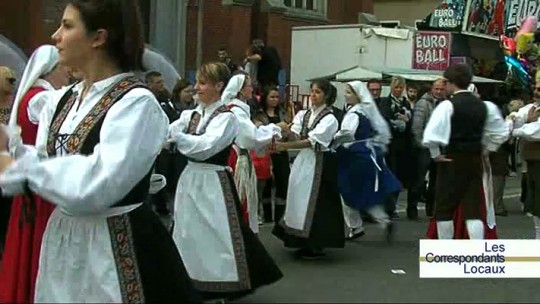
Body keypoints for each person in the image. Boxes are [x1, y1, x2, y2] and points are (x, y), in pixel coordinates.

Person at [0, 1, 199, 302]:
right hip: (63, 238)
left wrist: (19, 168)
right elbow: (45, 160)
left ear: (98, 37)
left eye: (67, 26)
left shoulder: (136, 103)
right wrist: (13, 156)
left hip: (115, 244)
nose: (56, 35)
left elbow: (100, 183)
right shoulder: (62, 100)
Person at [168, 62, 283, 301]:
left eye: (202, 83)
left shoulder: (227, 118)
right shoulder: (191, 115)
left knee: (215, 231)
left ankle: (220, 283)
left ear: (219, 86)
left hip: (212, 180)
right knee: (188, 231)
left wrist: (178, 138)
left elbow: (205, 147)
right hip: (190, 178)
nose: (196, 88)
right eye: (197, 82)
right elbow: (165, 133)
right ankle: (191, 280)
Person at [0, 45, 70, 303]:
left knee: (27, 244)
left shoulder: (30, 96)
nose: (68, 73)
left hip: (32, 181)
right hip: (42, 183)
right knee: (40, 245)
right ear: (51, 70)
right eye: (63, 68)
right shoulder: (44, 98)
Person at [422, 65, 509, 240]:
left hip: (451, 159)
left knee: (444, 209)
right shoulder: (486, 106)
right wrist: (488, 149)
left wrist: (435, 155)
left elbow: (431, 136)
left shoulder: (447, 106)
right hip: (475, 159)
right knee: (473, 209)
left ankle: (446, 250)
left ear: (451, 83)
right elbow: (501, 133)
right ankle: (475, 249)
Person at [272, 79, 344, 259]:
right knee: (299, 198)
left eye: (317, 92)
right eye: (312, 91)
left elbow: (312, 142)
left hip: (321, 163)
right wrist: (286, 132)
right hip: (304, 161)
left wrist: (284, 147)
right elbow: (297, 135)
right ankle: (299, 239)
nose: (313, 95)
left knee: (318, 202)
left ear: (326, 95)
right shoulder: (303, 114)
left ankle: (316, 243)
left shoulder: (330, 118)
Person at [335, 81, 401, 241]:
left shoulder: (353, 114)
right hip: (367, 154)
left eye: (349, 92)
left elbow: (346, 136)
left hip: (354, 158)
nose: (345, 95)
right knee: (365, 193)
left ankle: (355, 227)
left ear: (358, 96)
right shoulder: (367, 111)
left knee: (346, 192)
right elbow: (380, 131)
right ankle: (383, 220)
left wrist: (332, 141)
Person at [222, 72, 282, 233]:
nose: (252, 88)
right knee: (242, 199)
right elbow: (249, 138)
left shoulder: (236, 108)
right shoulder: (237, 111)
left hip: (237, 155)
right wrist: (274, 129)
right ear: (241, 90)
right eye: (249, 85)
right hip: (237, 158)